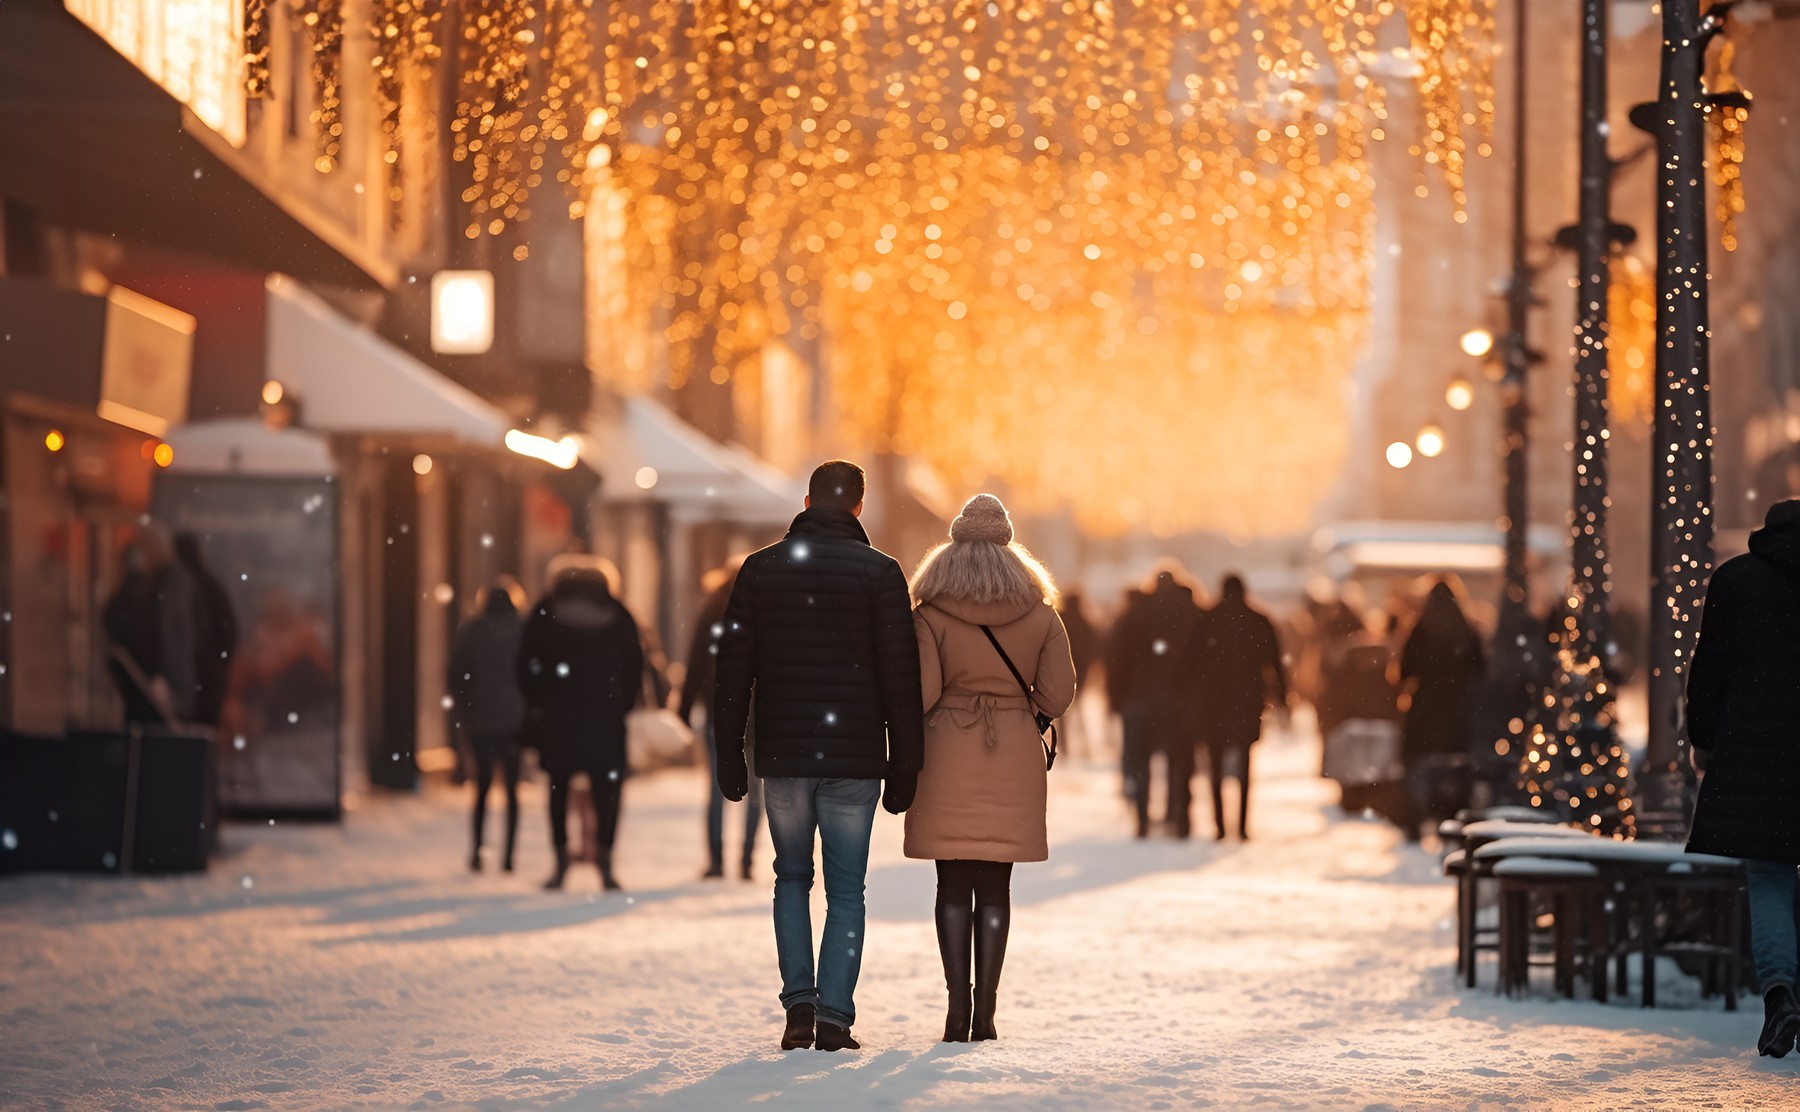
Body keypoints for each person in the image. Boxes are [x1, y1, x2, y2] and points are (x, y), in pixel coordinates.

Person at [713, 460, 924, 1054]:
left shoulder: (760, 570)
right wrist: (906, 761)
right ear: (859, 507)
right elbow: (900, 678)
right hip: (855, 756)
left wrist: (729, 753)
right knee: (848, 890)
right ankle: (834, 1016)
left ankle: (798, 1008)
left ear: (807, 501)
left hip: (783, 753)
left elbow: (733, 672)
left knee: (790, 877)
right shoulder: (882, 574)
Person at [905, 494, 1076, 1042]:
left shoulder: (929, 615)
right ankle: (987, 1013)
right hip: (1012, 755)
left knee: (952, 882)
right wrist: (1022, 708)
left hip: (947, 753)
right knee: (996, 885)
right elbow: (1058, 693)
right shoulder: (1041, 614)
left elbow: (925, 691)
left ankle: (956, 1009)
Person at [1685, 498, 1800, 1058]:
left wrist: (1704, 744)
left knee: (1771, 878)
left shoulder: (1735, 580)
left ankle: (1780, 993)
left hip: (1760, 754)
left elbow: (1707, 673)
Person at [518, 556, 643, 892]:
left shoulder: (545, 612)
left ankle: (560, 864)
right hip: (605, 720)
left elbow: (525, 662)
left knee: (558, 791)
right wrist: (622, 704)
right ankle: (605, 864)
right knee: (608, 793)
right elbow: (635, 665)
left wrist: (540, 702)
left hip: (559, 719)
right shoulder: (618, 614)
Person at [1104, 566, 1205, 838]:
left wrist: (1115, 697)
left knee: (1139, 760)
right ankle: (1180, 817)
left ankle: (1142, 819)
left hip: (1140, 698)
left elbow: (1117, 659)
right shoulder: (1193, 613)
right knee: (1181, 760)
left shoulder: (1134, 614)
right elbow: (1205, 662)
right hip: (1181, 700)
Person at [679, 556, 764, 880]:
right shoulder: (765, 609)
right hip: (758, 715)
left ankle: (716, 860)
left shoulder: (715, 608)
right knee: (756, 791)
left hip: (720, 709)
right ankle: (745, 861)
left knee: (716, 789)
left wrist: (684, 708)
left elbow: (696, 660)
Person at [1193, 574, 1288, 842]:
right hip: (1248, 700)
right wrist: (1282, 698)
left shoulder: (1208, 620)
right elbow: (1275, 662)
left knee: (1215, 761)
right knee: (1245, 762)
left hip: (1214, 702)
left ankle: (1220, 826)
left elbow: (1192, 663)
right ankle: (1243, 826)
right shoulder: (1259, 620)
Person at [1396, 579, 1485, 840]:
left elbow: (1404, 671)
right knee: (1456, 770)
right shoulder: (1468, 632)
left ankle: (1415, 822)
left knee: (1418, 769)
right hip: (1457, 711)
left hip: (1424, 711)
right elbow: (1480, 672)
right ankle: (1453, 819)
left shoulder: (1419, 631)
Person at [449, 581, 527, 873]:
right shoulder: (522, 629)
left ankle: (477, 850)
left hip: (480, 720)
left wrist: (464, 709)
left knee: (481, 787)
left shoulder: (472, 630)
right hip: (514, 722)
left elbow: (457, 675)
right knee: (512, 790)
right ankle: (508, 856)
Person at [103, 530, 198, 728]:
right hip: (152, 678)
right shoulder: (155, 584)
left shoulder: (164, 583)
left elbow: (172, 635)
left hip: (155, 678)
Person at [173, 533, 238, 728]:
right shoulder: (209, 585)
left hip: (194, 673)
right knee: (205, 733)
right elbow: (229, 627)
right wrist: (220, 662)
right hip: (208, 674)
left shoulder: (180, 587)